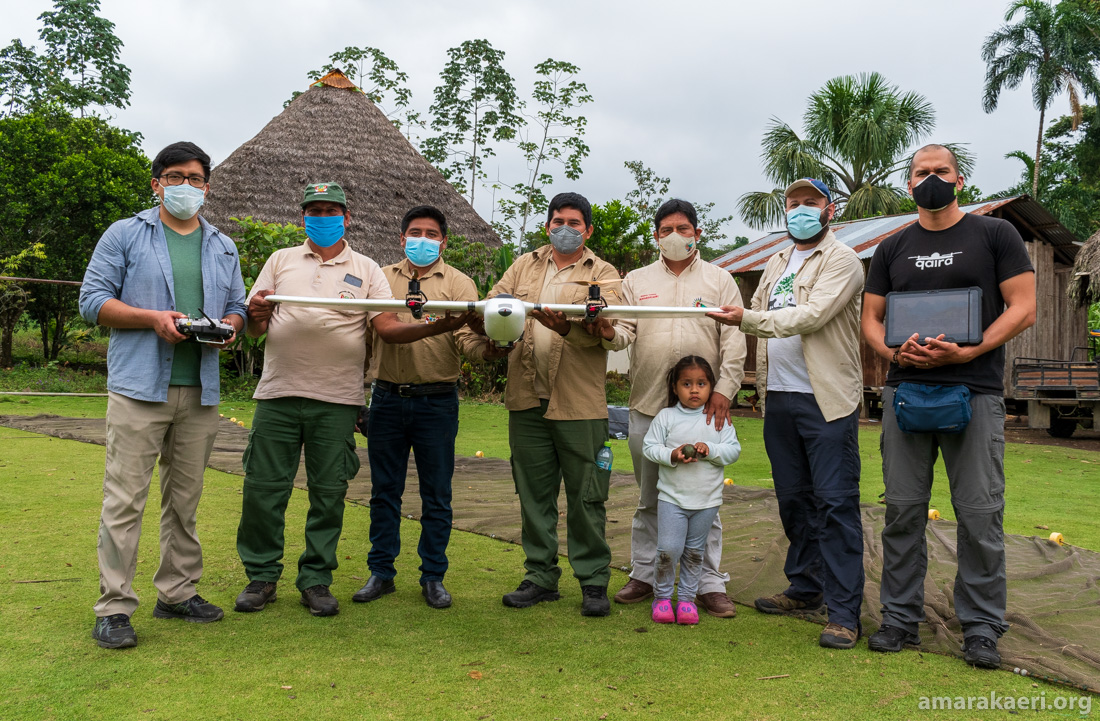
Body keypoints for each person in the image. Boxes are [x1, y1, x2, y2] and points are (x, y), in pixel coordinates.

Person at [234, 183, 468, 617]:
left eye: (331, 210)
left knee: (328, 493)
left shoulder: (366, 270)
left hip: (337, 399)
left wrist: (440, 325)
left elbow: (388, 328)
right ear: (302, 215)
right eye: (314, 210)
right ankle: (261, 576)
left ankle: (316, 580)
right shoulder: (280, 260)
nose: (322, 217)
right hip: (278, 393)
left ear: (346, 215)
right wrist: (256, 317)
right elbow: (254, 325)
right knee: (264, 489)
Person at [861, 145, 1036, 667]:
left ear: (959, 181)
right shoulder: (892, 248)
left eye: (941, 172)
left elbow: (1023, 307)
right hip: (905, 393)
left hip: (975, 393)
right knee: (903, 510)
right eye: (921, 172)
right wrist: (894, 352)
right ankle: (899, 619)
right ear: (908, 183)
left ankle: (981, 627)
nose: (931, 179)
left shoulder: (995, 235)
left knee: (980, 513)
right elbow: (871, 319)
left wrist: (970, 349)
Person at [79, 141, 247, 648]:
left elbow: (237, 304)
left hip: (200, 389)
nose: (186, 187)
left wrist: (232, 326)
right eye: (176, 177)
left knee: (185, 500)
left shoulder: (222, 245)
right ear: (156, 183)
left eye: (196, 179)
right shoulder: (126, 234)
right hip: (139, 387)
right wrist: (152, 319)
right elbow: (92, 302)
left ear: (207, 187)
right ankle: (113, 606)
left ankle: (176, 592)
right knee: (125, 499)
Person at [706, 178, 866, 649]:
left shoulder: (844, 260)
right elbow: (753, 307)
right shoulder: (776, 259)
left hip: (826, 399)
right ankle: (805, 587)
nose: (799, 209)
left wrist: (745, 319)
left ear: (828, 209)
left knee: (835, 502)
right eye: (792, 203)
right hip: (779, 395)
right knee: (794, 499)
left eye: (809, 203)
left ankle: (844, 613)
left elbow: (811, 315)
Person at [583, 198, 746, 618]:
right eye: (667, 229)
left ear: (697, 233)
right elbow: (623, 333)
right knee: (650, 496)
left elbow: (734, 340)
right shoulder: (636, 280)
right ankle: (644, 573)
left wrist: (724, 390)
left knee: (703, 497)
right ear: (655, 235)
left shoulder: (720, 279)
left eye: (683, 228)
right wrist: (604, 329)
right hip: (649, 406)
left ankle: (708, 583)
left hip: (703, 411)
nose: (675, 235)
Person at [466, 192, 621, 617]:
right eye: (557, 221)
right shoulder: (523, 264)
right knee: (534, 494)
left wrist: (575, 326)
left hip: (579, 402)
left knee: (588, 494)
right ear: (547, 225)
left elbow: (617, 328)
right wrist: (497, 325)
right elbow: (492, 305)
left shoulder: (603, 271)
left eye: (574, 222)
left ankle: (592, 581)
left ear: (588, 230)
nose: (564, 228)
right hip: (526, 397)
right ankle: (540, 576)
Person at [353, 205, 479, 610]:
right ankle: (381, 572)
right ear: (401, 237)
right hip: (388, 397)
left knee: (437, 493)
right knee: (383, 491)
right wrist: (360, 397)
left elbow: (469, 341)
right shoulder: (381, 278)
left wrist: (493, 348)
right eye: (414, 232)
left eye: (430, 233)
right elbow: (370, 340)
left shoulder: (460, 284)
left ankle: (433, 576)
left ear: (443, 240)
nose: (421, 239)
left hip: (437, 401)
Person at [642, 356, 741, 625]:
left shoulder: (717, 418)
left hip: (707, 501)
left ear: (711, 387)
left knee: (695, 552)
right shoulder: (667, 416)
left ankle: (686, 600)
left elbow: (733, 450)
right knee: (669, 550)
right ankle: (662, 598)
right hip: (672, 499)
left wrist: (711, 450)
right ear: (675, 388)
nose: (694, 390)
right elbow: (649, 447)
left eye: (701, 383)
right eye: (687, 384)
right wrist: (672, 454)